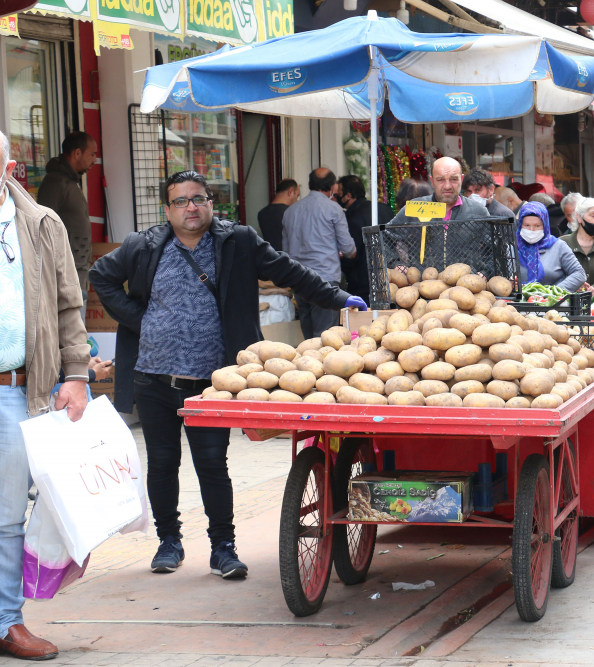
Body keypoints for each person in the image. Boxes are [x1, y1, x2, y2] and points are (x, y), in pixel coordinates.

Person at [90, 171, 365, 581]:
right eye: (181, 201)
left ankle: (223, 548)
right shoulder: (143, 246)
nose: (191, 207)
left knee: (212, 465)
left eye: (198, 199)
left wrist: (339, 297)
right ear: (168, 210)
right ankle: (169, 542)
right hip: (153, 376)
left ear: (210, 203)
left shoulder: (236, 240)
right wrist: (138, 319)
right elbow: (100, 276)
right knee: (162, 463)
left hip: (214, 381)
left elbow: (291, 272)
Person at [0, 130, 90, 661]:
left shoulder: (38, 223)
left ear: (7, 164)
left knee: (7, 516)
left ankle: (7, 621)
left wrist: (76, 374)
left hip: (15, 390)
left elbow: (67, 307)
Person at [281, 168, 356, 336]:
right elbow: (348, 248)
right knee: (325, 337)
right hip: (326, 280)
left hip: (299, 279)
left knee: (308, 337)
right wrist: (350, 253)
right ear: (332, 187)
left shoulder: (290, 211)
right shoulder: (334, 209)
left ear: (309, 185)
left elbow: (285, 252)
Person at [36, 131, 98, 293]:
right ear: (77, 153)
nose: (94, 160)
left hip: (76, 274)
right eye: (92, 154)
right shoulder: (55, 182)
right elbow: (42, 228)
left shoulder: (70, 181)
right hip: (63, 277)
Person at [338, 174, 394, 305]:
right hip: (389, 278)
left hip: (364, 284)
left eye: (338, 194)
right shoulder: (385, 208)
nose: (335, 199)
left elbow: (352, 255)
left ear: (348, 195)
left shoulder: (353, 218)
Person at [389, 157, 490, 224]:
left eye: (453, 179)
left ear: (461, 179)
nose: (447, 186)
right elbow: (386, 239)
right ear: (432, 181)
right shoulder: (414, 208)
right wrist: (398, 257)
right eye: (440, 180)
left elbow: (492, 251)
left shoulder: (478, 212)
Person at [517, 201, 585, 291]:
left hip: (554, 302)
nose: (531, 230)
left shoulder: (558, 246)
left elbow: (579, 273)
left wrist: (555, 291)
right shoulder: (512, 248)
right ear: (520, 225)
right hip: (519, 303)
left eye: (537, 226)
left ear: (545, 226)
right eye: (527, 225)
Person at [256, 178, 299, 252]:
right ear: (290, 191)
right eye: (297, 195)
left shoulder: (262, 213)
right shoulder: (292, 213)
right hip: (288, 259)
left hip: (270, 257)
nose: (297, 200)